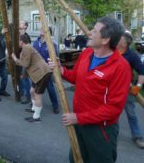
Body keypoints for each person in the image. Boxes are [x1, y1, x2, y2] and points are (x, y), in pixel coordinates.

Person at [49, 16, 131, 163]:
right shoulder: (86, 54)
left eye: (95, 30)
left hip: (100, 131)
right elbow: (76, 78)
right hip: (79, 124)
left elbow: (114, 109)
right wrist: (61, 70)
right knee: (75, 159)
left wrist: (79, 118)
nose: (89, 33)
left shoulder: (121, 67)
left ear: (105, 40)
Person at [12, 34, 52, 123]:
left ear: (21, 41)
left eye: (18, 41)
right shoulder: (27, 48)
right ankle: (34, 109)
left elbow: (25, 64)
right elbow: (28, 64)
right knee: (32, 91)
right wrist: (24, 75)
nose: (17, 43)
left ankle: (36, 117)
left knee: (38, 95)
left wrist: (15, 59)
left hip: (42, 73)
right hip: (38, 74)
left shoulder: (27, 48)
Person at [117, 31, 144, 149]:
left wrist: (138, 86)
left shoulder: (132, 55)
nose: (117, 40)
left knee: (132, 114)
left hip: (127, 90)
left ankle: (137, 136)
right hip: (112, 89)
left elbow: (142, 72)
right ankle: (109, 133)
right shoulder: (111, 52)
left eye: (120, 39)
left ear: (125, 42)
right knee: (110, 113)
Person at [33, 29, 60, 114]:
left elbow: (55, 57)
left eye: (43, 29)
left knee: (50, 88)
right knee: (34, 87)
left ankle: (55, 106)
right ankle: (34, 103)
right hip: (36, 69)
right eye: (41, 29)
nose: (41, 30)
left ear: (48, 33)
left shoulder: (51, 44)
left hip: (47, 70)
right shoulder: (36, 42)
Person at [19, 20, 32, 104]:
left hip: (23, 60)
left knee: (24, 78)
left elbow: (27, 50)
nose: (19, 24)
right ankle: (21, 92)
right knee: (19, 77)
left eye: (21, 23)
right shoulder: (17, 35)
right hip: (17, 59)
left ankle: (28, 96)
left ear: (25, 27)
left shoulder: (26, 37)